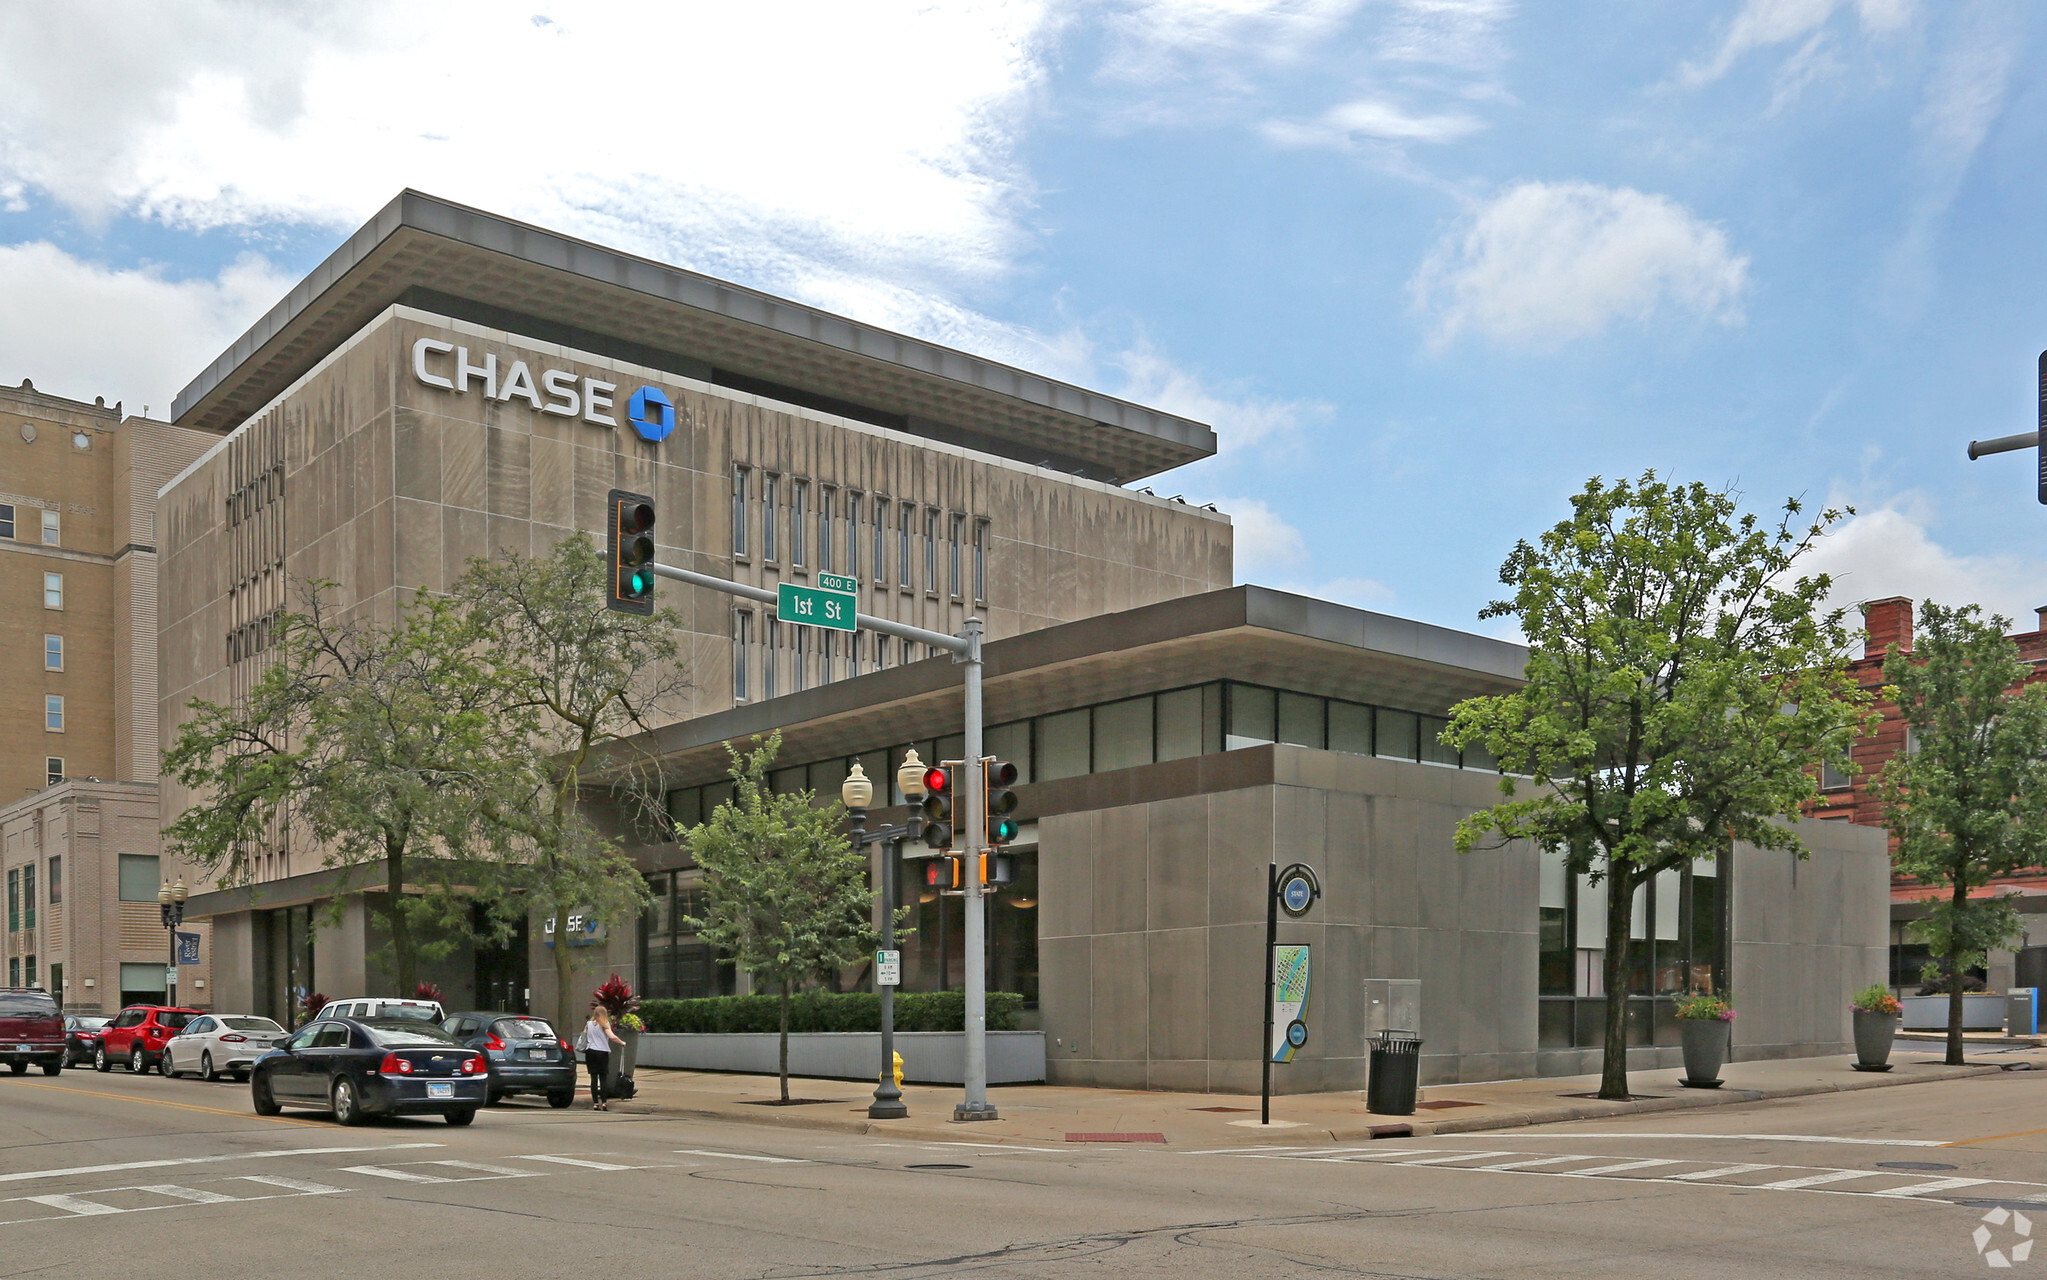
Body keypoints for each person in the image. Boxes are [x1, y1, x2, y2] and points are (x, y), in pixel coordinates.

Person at [582, 1002, 625, 1111]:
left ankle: (595, 1103)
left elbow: (584, 1036)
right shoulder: (605, 1024)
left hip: (590, 1052)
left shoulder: (589, 1024)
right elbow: (612, 1036)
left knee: (593, 1078)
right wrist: (621, 1042)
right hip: (602, 1053)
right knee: (603, 1078)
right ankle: (604, 1102)